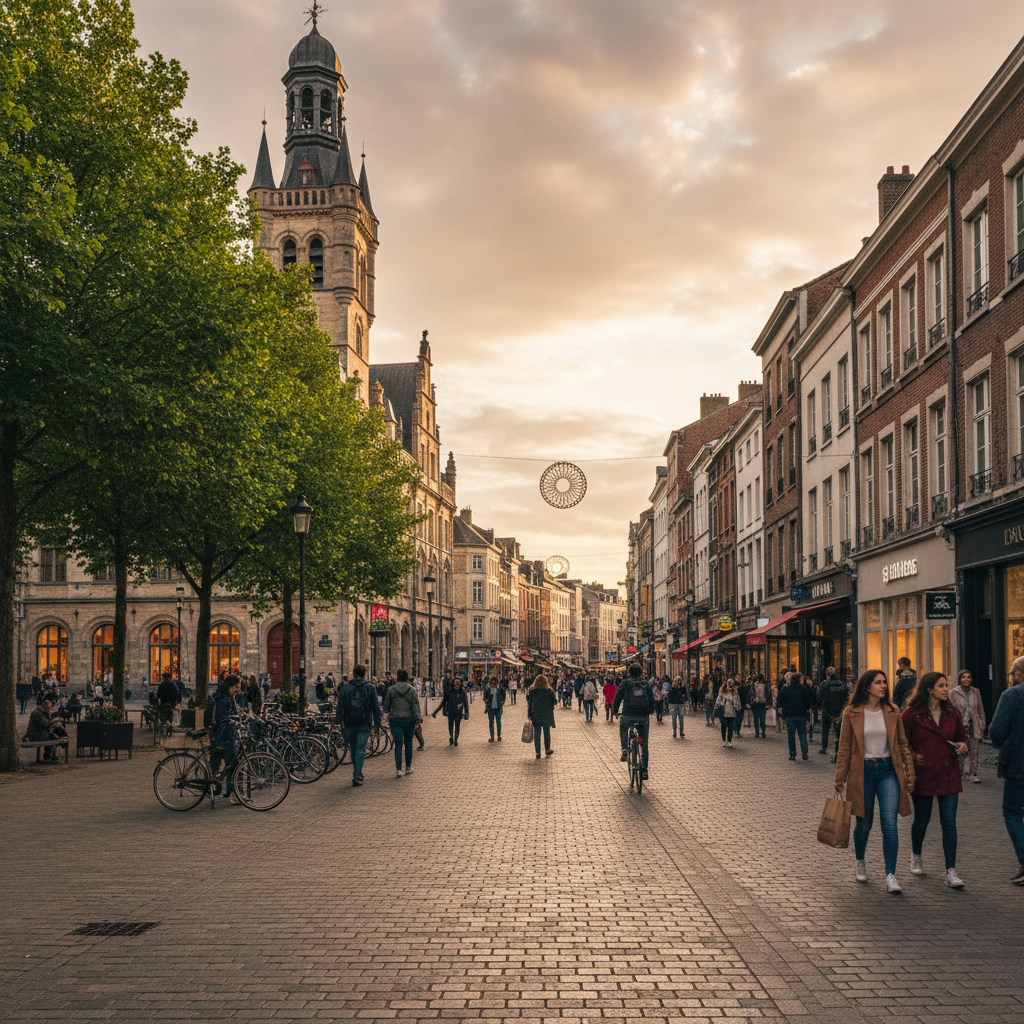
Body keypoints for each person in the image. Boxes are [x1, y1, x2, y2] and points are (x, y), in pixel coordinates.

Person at [835, 669, 916, 893]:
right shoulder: (852, 713)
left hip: (888, 771)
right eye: (878, 682)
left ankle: (890, 875)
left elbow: (902, 744)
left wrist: (910, 774)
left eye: (885, 682)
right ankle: (860, 860)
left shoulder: (892, 711)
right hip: (863, 773)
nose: (883, 686)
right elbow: (844, 748)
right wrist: (840, 778)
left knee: (890, 823)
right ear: (867, 687)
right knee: (864, 824)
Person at [902, 672, 969, 887]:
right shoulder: (913, 713)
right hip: (924, 775)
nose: (945, 689)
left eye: (946, 685)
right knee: (922, 820)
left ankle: (951, 871)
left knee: (949, 823)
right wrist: (913, 755)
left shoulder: (952, 712)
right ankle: (916, 855)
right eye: (941, 685)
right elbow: (901, 740)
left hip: (949, 774)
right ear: (929, 689)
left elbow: (962, 736)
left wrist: (963, 744)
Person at [988, 655, 1024, 885]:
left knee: (1011, 812)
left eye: (1013, 672)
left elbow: (996, 731)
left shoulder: (1012, 695)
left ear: (1020, 672)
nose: (1012, 677)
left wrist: (1006, 746)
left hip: (1019, 767)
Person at [337, 665, 382, 786]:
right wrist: (377, 724)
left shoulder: (346, 687)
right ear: (365, 674)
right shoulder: (370, 688)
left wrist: (338, 721)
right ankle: (358, 774)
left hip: (349, 722)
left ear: (353, 674)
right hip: (364, 722)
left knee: (353, 747)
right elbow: (375, 707)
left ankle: (356, 772)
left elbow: (340, 706)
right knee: (361, 749)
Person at [612, 664, 655, 778]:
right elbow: (651, 699)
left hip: (628, 714)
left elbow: (618, 697)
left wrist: (615, 710)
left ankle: (625, 749)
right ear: (641, 673)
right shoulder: (645, 684)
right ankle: (644, 770)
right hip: (643, 716)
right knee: (644, 744)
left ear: (629, 673)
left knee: (623, 727)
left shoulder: (625, 683)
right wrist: (651, 710)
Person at [209, 674, 245, 803]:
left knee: (225, 766)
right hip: (224, 737)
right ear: (229, 686)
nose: (238, 690)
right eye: (236, 687)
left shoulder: (227, 697)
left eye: (238, 687)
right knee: (235, 765)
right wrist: (236, 720)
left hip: (222, 736)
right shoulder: (225, 700)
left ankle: (227, 791)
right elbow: (224, 718)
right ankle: (235, 794)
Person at [949, 670, 986, 783]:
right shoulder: (953, 693)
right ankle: (958, 775)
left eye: (969, 677)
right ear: (960, 679)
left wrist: (982, 723)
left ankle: (972, 774)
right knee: (959, 750)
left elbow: (980, 709)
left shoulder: (976, 692)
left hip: (974, 724)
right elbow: (949, 710)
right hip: (960, 725)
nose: (966, 679)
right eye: (964, 677)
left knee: (974, 750)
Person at [383, 668, 420, 777]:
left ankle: (399, 769)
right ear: (407, 678)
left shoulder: (391, 689)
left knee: (398, 744)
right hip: (409, 719)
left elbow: (386, 706)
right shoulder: (412, 690)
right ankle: (408, 767)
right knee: (408, 744)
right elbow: (415, 706)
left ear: (397, 678)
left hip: (395, 719)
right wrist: (418, 719)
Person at [777, 671, 812, 761]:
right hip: (801, 714)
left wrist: (782, 710)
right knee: (802, 734)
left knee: (791, 735)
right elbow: (808, 701)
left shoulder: (785, 688)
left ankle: (792, 754)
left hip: (789, 715)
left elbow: (780, 701)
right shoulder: (803, 689)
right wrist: (808, 709)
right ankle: (804, 752)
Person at [818, 667, 848, 759]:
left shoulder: (824, 684)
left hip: (827, 709)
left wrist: (820, 706)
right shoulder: (841, 684)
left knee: (825, 729)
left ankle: (824, 747)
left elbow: (819, 696)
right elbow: (845, 696)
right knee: (838, 729)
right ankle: (840, 745)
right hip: (838, 709)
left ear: (827, 674)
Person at [432, 675, 469, 746]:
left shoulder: (462, 692)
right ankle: (451, 736)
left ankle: (456, 739)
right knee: (450, 725)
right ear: (453, 683)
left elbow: (465, 703)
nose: (457, 683)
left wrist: (467, 713)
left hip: (459, 712)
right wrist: (436, 711)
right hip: (450, 711)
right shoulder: (449, 692)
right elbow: (443, 702)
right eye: (456, 682)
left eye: (458, 682)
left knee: (457, 725)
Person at [526, 674, 557, 758]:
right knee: (546, 732)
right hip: (546, 714)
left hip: (535, 714)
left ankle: (538, 752)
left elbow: (529, 702)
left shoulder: (533, 691)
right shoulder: (549, 691)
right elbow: (555, 701)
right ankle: (547, 749)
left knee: (537, 733)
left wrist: (529, 714)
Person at [715, 679, 741, 747]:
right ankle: (724, 740)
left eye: (731, 683)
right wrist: (717, 706)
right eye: (728, 683)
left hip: (732, 712)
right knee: (723, 726)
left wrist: (737, 707)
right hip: (724, 712)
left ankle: (729, 741)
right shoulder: (722, 691)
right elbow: (718, 700)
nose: (730, 685)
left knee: (730, 727)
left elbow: (737, 701)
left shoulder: (735, 692)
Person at [484, 675, 506, 741]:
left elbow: (503, 696)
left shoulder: (500, 689)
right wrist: (488, 698)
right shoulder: (488, 690)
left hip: (498, 708)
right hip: (490, 708)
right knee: (491, 722)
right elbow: (484, 698)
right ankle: (492, 736)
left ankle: (499, 735)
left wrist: (502, 703)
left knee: (498, 722)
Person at [750, 674, 769, 738]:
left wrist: (768, 703)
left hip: (762, 703)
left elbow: (768, 695)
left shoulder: (765, 686)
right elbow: (751, 694)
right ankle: (757, 732)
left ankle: (762, 731)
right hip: (755, 703)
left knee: (762, 718)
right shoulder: (754, 686)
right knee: (756, 718)